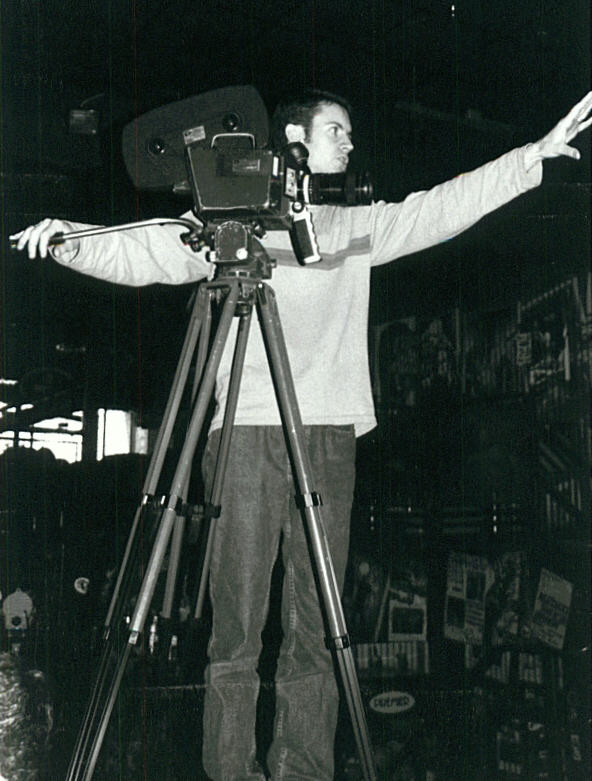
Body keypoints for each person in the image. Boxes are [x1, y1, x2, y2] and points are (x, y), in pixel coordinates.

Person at [11, 88, 592, 781]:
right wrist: (68, 239)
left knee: (317, 622)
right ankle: (231, 770)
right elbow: (149, 250)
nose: (349, 142)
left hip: (329, 436)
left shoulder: (351, 226)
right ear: (294, 140)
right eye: (336, 130)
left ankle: (303, 769)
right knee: (237, 623)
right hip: (247, 433)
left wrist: (530, 158)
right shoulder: (232, 225)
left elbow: (438, 208)